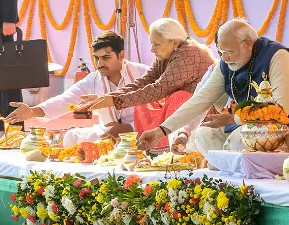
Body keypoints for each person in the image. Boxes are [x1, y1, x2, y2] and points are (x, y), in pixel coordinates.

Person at [137, 18, 289, 153]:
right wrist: (160, 131)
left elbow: (281, 110)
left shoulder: (278, 56)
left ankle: (245, 179)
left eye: (229, 51)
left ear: (247, 43)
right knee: (203, 135)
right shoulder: (226, 63)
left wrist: (234, 120)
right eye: (221, 52)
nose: (225, 58)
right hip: (247, 127)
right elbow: (200, 100)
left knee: (239, 140)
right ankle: (232, 178)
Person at [82, 19, 215, 144]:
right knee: (143, 102)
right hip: (182, 114)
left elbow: (159, 89)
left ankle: (166, 149)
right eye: (152, 44)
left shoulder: (189, 54)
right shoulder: (167, 53)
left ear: (174, 42)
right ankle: (150, 146)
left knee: (177, 97)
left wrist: (116, 101)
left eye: (156, 44)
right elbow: (144, 81)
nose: (152, 49)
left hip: (201, 114)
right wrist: (111, 97)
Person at [4, 32, 149, 146]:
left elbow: (160, 111)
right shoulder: (92, 80)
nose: (100, 64)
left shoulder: (144, 74)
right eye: (96, 58)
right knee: (71, 137)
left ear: (121, 55)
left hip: (143, 130)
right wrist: (32, 111)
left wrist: (128, 128)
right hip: (107, 133)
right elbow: (65, 99)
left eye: (106, 57)